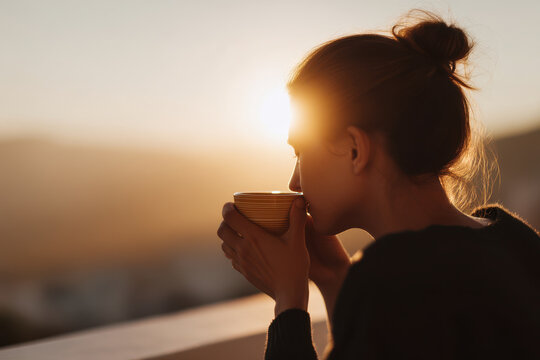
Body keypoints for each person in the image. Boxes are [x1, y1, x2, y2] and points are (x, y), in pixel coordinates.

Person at [217, 9, 540, 359]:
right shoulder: (514, 238)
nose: (294, 180)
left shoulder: (393, 279)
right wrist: (333, 279)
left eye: (300, 152)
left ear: (356, 149)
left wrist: (289, 303)